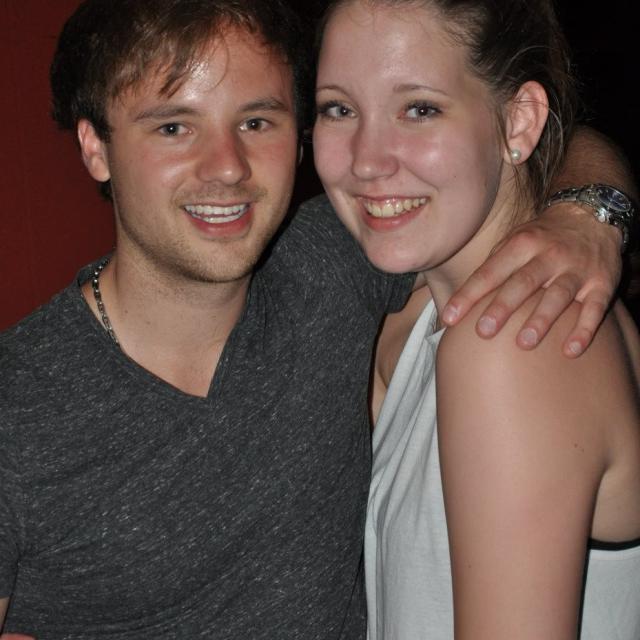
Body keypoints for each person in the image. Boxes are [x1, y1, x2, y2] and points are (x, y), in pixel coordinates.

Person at [0, 0, 634, 637]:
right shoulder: (19, 410)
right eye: (173, 127)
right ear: (96, 147)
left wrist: (593, 211)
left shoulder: (497, 321)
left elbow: (539, 130)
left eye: (256, 121)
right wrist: (595, 209)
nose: (227, 166)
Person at [313, 0, 640, 638]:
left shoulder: (513, 343)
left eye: (420, 109)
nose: (367, 159)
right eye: (338, 109)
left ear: (519, 122)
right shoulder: (413, 319)